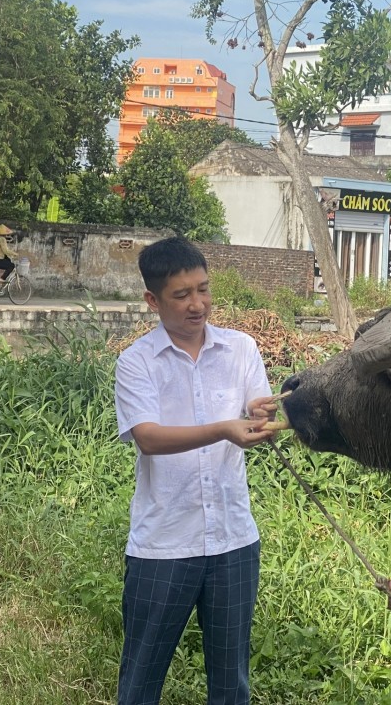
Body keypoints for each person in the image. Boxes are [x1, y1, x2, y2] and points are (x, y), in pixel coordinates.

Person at [114, 236, 280, 705]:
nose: (197, 304)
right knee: (141, 680)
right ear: (152, 300)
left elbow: (256, 415)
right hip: (164, 544)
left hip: (233, 541)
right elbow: (147, 437)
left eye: (203, 289)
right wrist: (225, 428)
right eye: (181, 295)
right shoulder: (137, 362)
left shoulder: (241, 349)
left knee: (232, 683)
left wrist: (258, 415)